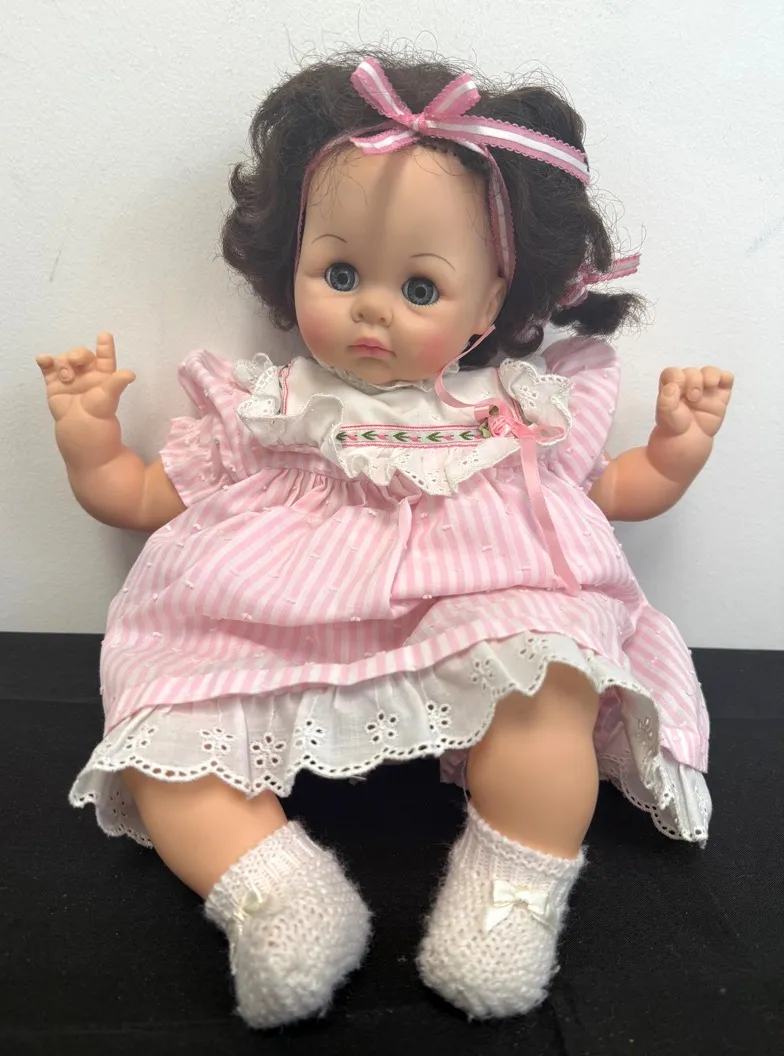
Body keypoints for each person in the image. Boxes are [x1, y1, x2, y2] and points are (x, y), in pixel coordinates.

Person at [37, 51, 733, 1030]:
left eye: (420, 287)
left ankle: (508, 897)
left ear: (490, 305)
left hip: (480, 601)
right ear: (291, 265)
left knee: (550, 685)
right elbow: (146, 497)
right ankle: (278, 898)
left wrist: (673, 452)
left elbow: (606, 491)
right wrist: (90, 441)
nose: (371, 306)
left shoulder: (517, 408)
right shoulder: (265, 408)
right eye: (340, 273)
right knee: (165, 736)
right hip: (267, 617)